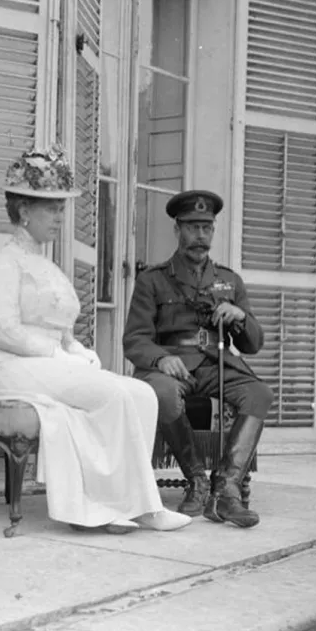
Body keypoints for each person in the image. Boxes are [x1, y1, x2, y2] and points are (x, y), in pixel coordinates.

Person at [0, 145, 191, 535]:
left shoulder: (49, 268)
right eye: (51, 208)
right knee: (112, 394)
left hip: (45, 364)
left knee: (140, 393)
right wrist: (57, 355)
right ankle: (103, 506)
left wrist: (77, 351)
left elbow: (64, 330)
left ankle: (140, 504)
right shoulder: (1, 264)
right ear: (23, 211)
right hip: (4, 367)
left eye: (61, 207)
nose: (60, 216)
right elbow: (4, 331)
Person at [123, 190, 274, 529]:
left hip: (215, 363)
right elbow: (134, 339)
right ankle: (196, 479)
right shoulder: (153, 279)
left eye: (207, 228)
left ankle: (226, 487)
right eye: (192, 228)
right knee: (161, 393)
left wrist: (239, 317)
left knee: (259, 394)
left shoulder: (229, 280)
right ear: (177, 230)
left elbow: (253, 344)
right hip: (170, 365)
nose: (200, 236)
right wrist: (160, 359)